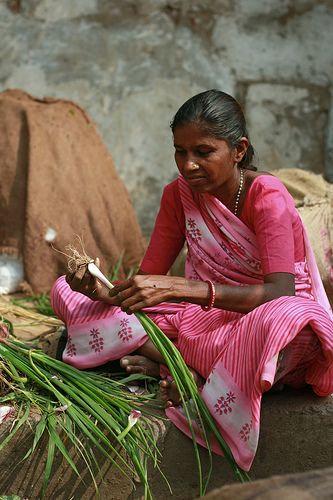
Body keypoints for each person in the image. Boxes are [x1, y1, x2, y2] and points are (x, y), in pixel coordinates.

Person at [51, 90, 333, 471]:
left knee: (284, 321)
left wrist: (183, 288)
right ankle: (196, 371)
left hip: (265, 319)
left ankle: (184, 367)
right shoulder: (178, 196)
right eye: (180, 152)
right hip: (203, 320)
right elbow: (147, 281)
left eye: (203, 152)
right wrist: (100, 289)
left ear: (238, 150)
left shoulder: (267, 196)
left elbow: (280, 292)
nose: (188, 165)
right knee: (66, 292)